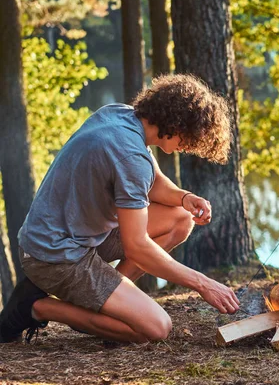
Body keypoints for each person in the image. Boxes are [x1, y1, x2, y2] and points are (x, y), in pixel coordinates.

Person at [0, 74, 241, 344]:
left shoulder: (120, 115)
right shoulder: (130, 157)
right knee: (156, 328)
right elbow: (137, 245)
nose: (186, 148)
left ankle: (105, 299)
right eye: (189, 139)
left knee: (180, 218)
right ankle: (35, 308)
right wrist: (203, 283)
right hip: (55, 257)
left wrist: (184, 197)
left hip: (66, 237)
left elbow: (151, 184)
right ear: (176, 124)